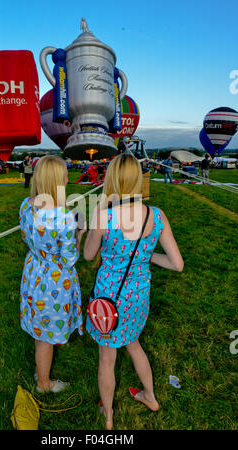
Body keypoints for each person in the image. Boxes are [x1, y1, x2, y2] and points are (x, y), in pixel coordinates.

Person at [83, 153, 184, 429]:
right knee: (133, 343)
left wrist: (86, 232)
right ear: (138, 179)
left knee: (107, 356)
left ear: (112, 179)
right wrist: (146, 255)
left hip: (108, 298)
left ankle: (109, 417)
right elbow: (177, 264)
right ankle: (150, 396)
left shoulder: (104, 214)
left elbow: (89, 255)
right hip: (138, 296)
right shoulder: (157, 215)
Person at [19, 155, 86, 393]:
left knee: (41, 327)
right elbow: (70, 258)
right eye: (66, 173)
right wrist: (79, 233)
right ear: (57, 181)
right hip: (53, 281)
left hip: (33, 272)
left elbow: (27, 236)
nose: (69, 177)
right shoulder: (64, 218)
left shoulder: (26, 205)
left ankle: (42, 366)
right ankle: (44, 383)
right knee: (46, 336)